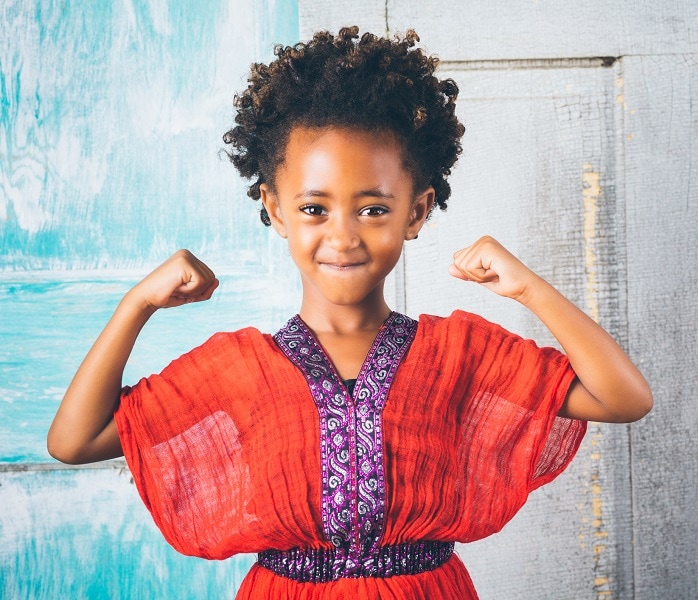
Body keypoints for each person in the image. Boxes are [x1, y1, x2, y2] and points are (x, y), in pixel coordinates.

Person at [47, 27, 652, 599]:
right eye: (314, 209)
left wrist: (530, 290)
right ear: (276, 209)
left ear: (416, 213)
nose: (342, 237)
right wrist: (137, 304)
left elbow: (624, 398)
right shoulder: (238, 368)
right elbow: (73, 441)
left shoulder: (458, 356)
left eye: (372, 210)